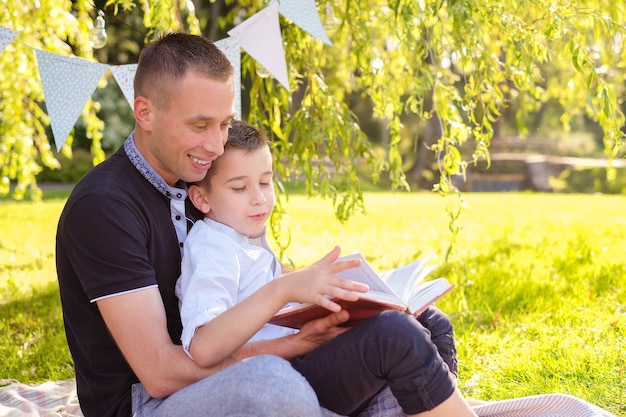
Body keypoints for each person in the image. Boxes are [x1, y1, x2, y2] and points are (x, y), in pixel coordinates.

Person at [55, 32, 366, 417]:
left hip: (231, 366)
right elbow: (160, 374)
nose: (218, 146)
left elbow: (238, 278)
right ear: (145, 113)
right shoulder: (103, 207)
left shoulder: (200, 179)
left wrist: (312, 295)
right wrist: (293, 345)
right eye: (200, 125)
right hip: (148, 403)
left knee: (398, 334)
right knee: (271, 383)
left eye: (224, 124)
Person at [176, 120, 479, 417]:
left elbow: (258, 290)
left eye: (265, 182)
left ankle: (437, 403)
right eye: (240, 187)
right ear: (202, 198)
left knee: (429, 318)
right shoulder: (212, 246)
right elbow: (203, 348)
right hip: (281, 377)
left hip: (299, 354)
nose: (259, 198)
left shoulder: (242, 231)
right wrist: (284, 294)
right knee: (394, 336)